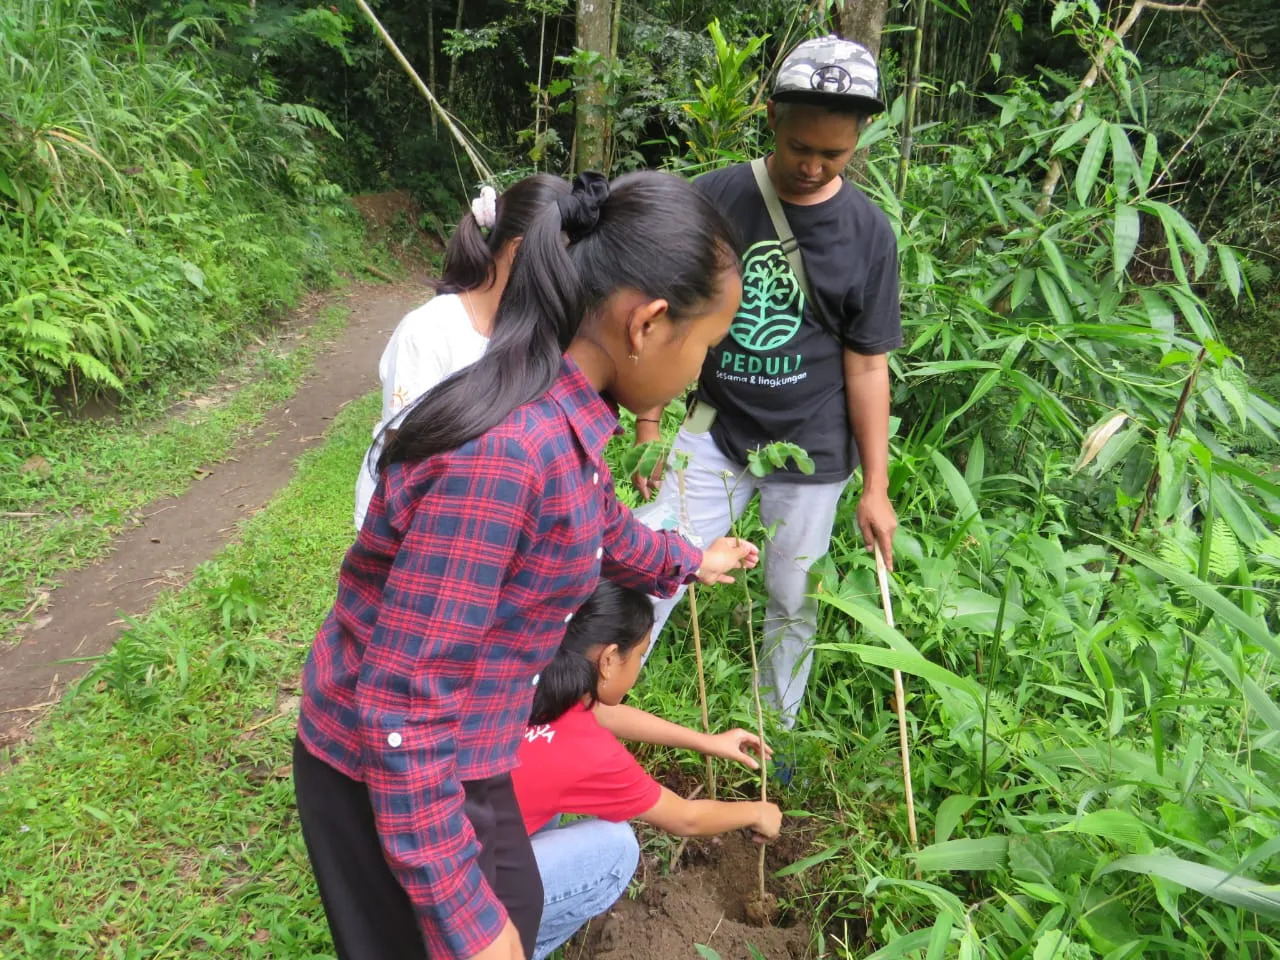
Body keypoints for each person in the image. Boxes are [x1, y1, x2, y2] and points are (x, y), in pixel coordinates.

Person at [293, 170, 761, 960]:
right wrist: (465, 920)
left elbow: (599, 522)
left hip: (475, 737)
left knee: (520, 899)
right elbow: (403, 706)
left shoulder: (560, 412)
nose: (699, 373)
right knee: (464, 932)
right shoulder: (507, 456)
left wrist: (687, 562)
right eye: (706, 346)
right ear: (648, 323)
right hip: (389, 766)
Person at [631, 36, 903, 723]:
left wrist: (875, 488)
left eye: (833, 154)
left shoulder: (868, 233)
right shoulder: (715, 197)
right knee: (654, 566)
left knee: (792, 599)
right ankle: (597, 701)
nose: (812, 166)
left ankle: (774, 730)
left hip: (814, 446)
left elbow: (868, 363)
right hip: (712, 427)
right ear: (773, 117)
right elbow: (664, 316)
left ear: (861, 135)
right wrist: (650, 426)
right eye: (799, 146)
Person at [511, 581, 783, 960]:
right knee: (616, 850)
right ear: (609, 659)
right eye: (640, 654)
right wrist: (757, 812)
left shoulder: (527, 679)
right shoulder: (589, 751)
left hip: (438, 856)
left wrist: (707, 741)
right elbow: (685, 818)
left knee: (544, 806)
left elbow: (604, 713)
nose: (639, 664)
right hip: (458, 902)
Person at [353, 175, 571, 530]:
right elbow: (404, 452)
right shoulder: (429, 331)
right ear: (518, 252)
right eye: (567, 260)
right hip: (404, 522)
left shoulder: (535, 334)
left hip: (473, 522)